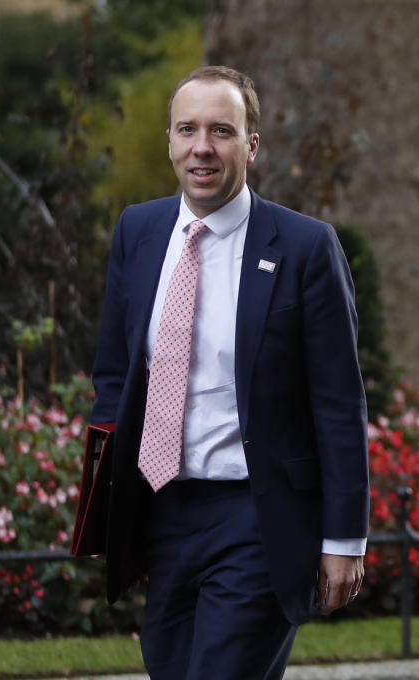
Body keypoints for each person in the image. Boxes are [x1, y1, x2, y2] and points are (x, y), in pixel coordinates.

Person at [89, 65, 370, 680]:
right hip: (162, 512)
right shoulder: (138, 231)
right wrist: (108, 501)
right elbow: (114, 372)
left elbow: (339, 403)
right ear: (169, 140)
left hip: (257, 516)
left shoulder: (304, 247)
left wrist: (344, 539)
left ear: (251, 145)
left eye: (221, 130)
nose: (202, 147)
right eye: (187, 130)